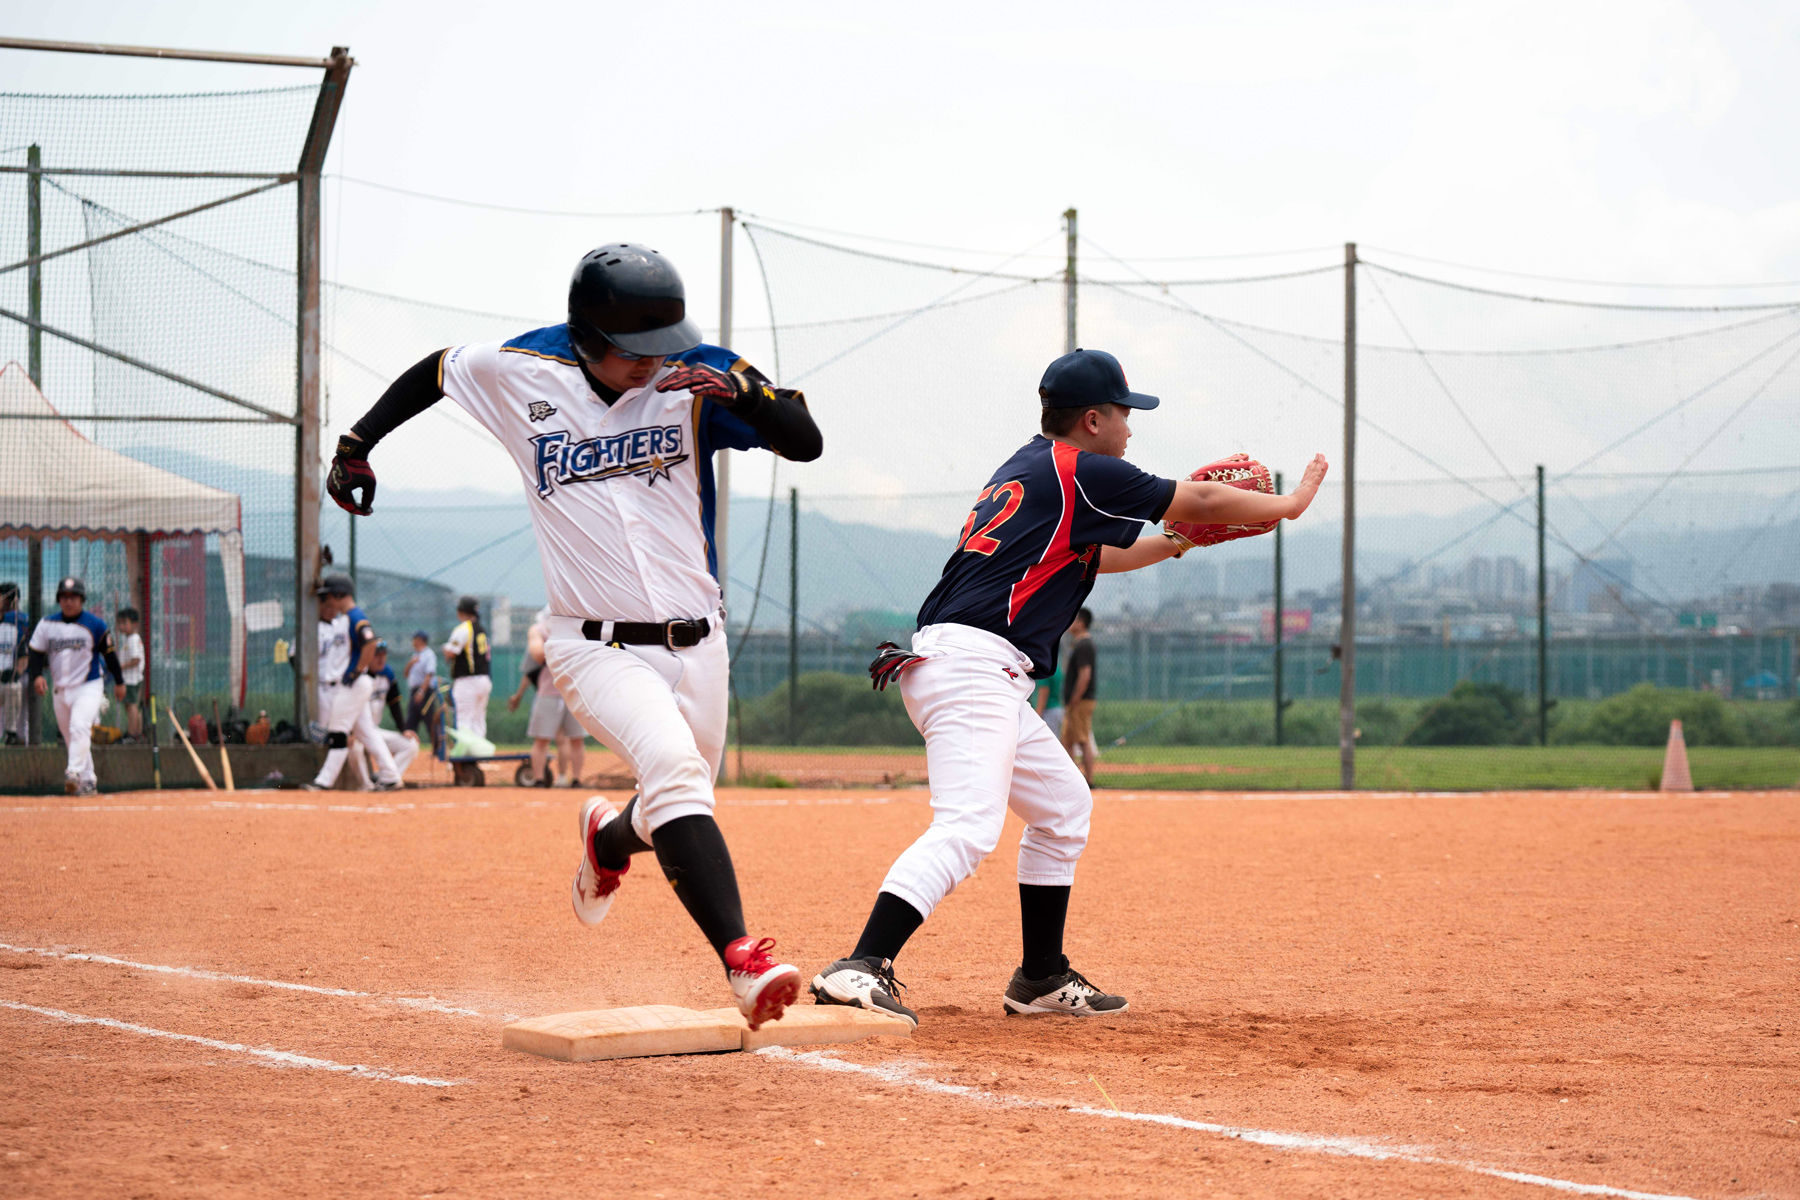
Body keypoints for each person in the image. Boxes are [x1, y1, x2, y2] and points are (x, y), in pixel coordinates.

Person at [323, 243, 824, 1029]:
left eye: (667, 345)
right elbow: (436, 369)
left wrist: (746, 396)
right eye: (636, 352)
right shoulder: (522, 371)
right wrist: (357, 444)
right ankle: (742, 964)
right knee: (676, 775)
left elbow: (804, 440)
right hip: (593, 645)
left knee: (672, 804)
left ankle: (609, 841)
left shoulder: (696, 377)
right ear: (586, 336)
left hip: (701, 642)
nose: (656, 364)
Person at [811, 348, 1327, 1026]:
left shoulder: (1033, 469)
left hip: (976, 668)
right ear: (1092, 420)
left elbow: (1097, 557)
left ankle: (1041, 977)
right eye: (1123, 414)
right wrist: (1287, 504)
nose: (1130, 429)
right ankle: (860, 964)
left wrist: (1179, 542)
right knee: (968, 826)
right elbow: (1197, 496)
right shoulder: (1081, 469)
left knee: (1063, 807)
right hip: (971, 668)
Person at [26, 577, 125, 795]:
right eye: (64, 597)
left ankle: (73, 773)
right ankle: (88, 781)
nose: (69, 602)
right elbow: (35, 653)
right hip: (60, 689)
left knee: (79, 727)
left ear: (82, 600)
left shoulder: (95, 624)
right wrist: (36, 676)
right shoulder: (47, 624)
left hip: (88, 686)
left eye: (73, 597)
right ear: (59, 600)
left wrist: (119, 681)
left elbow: (110, 655)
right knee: (73, 738)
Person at [304, 575, 402, 792]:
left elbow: (370, 642)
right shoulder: (344, 619)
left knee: (338, 733)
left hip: (352, 684)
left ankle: (324, 782)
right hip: (350, 684)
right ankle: (391, 776)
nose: (328, 601)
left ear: (339, 594)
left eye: (330, 596)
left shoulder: (355, 616)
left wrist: (357, 670)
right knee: (367, 732)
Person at [507, 608, 587, 787]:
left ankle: (575, 779)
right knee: (542, 738)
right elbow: (537, 655)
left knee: (575, 738)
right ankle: (539, 779)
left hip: (573, 691)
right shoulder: (539, 630)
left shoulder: (577, 628)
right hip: (548, 692)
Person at [364, 641, 419, 783]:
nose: (381, 659)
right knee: (355, 749)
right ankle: (364, 784)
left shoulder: (387, 674)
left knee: (410, 745)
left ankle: (386, 779)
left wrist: (403, 729)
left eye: (384, 655)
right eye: (377, 655)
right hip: (358, 734)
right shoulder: (358, 675)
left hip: (374, 732)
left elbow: (394, 704)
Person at [443, 596, 492, 741]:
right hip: (484, 679)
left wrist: (445, 650)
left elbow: (451, 652)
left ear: (461, 611)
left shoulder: (464, 628)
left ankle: (465, 761)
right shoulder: (482, 629)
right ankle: (479, 758)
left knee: (464, 720)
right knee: (478, 720)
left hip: (467, 681)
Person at [1060, 608, 1098, 783]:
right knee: (1067, 741)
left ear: (1081, 623)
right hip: (1075, 702)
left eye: (1074, 619)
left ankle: (1089, 780)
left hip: (1080, 701)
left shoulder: (1084, 645)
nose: (1071, 622)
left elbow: (1085, 675)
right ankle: (1073, 780)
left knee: (1082, 740)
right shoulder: (1079, 643)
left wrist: (1075, 699)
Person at [0, 581, 29, 745]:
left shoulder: (15, 621)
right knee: (22, 718)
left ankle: (17, 742)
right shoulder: (23, 619)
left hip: (20, 673)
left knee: (19, 717)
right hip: (23, 674)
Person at [402, 630, 440, 753]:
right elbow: (405, 674)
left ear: (420, 640)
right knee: (410, 722)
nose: (413, 642)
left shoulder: (429, 654)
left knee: (430, 721)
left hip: (425, 691)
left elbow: (429, 675)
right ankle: (406, 748)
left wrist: (421, 692)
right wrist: (411, 663)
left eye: (415, 639)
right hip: (414, 691)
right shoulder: (415, 655)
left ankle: (438, 749)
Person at [114, 606, 145, 742]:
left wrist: (120, 667)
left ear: (134, 624)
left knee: (131, 705)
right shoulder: (129, 639)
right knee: (131, 705)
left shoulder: (133, 639)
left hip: (131, 679)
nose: (121, 626)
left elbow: (136, 660)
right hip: (130, 678)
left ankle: (133, 734)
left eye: (124, 623)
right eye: (119, 623)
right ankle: (135, 732)